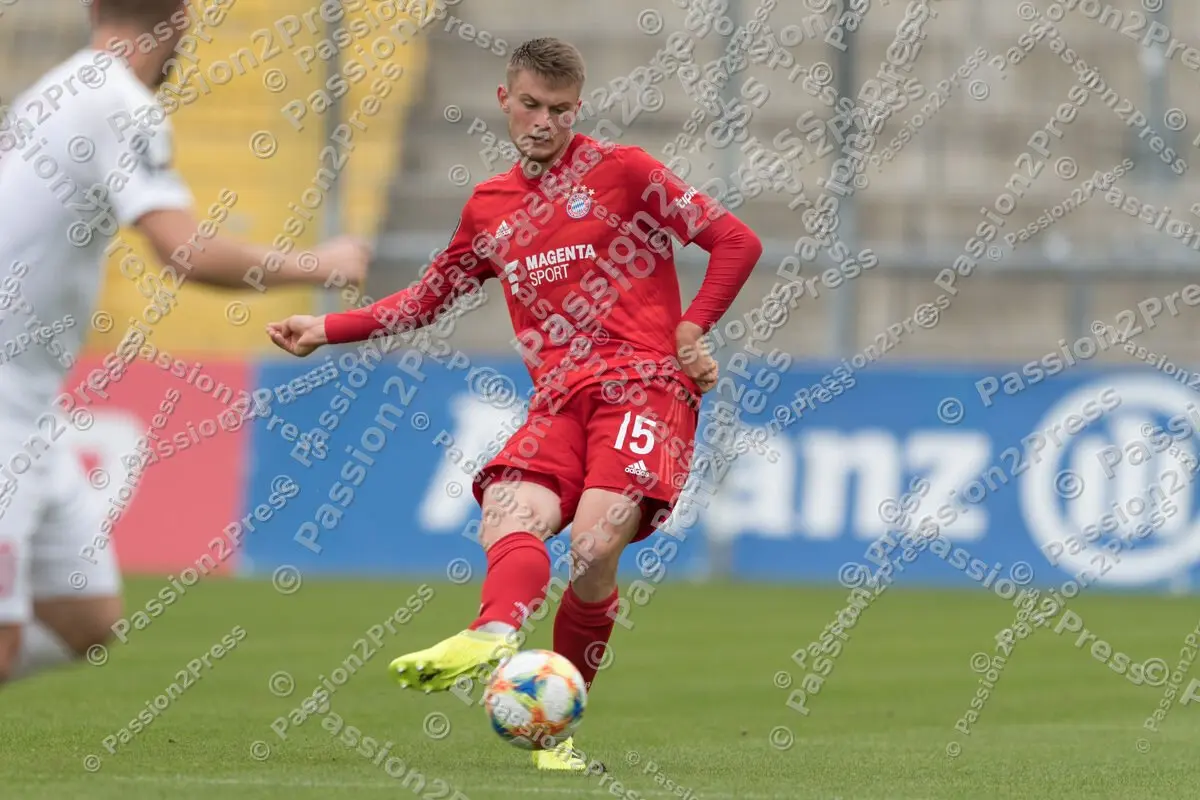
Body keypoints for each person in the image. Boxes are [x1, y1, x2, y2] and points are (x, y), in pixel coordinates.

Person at [267, 37, 762, 771]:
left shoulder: (623, 172)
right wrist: (328, 327)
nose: (543, 121)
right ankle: (497, 631)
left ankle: (555, 740)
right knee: (507, 511)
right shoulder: (490, 208)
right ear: (505, 100)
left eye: (559, 110)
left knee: (593, 549)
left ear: (578, 108)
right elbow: (429, 298)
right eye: (530, 105)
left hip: (644, 387)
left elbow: (735, 240)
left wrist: (692, 328)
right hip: (558, 399)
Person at [0, 0, 369, 688]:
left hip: (28, 401)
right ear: (181, 22)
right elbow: (183, 251)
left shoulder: (59, 87)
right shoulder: (118, 101)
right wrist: (320, 264)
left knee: (86, 616)